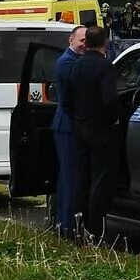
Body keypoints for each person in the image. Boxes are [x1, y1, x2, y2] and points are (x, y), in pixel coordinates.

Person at [67, 24, 123, 240]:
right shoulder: (105, 67)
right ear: (105, 44)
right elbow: (109, 100)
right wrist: (114, 119)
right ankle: (95, 229)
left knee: (82, 179)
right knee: (100, 181)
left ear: (87, 43)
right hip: (101, 132)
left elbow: (69, 99)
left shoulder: (77, 66)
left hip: (81, 129)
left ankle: (78, 225)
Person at [49, 26, 88, 240]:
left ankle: (64, 221)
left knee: (68, 176)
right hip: (67, 126)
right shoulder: (66, 62)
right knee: (68, 177)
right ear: (70, 40)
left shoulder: (73, 60)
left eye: (86, 41)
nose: (84, 44)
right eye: (81, 40)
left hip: (69, 125)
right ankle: (65, 225)